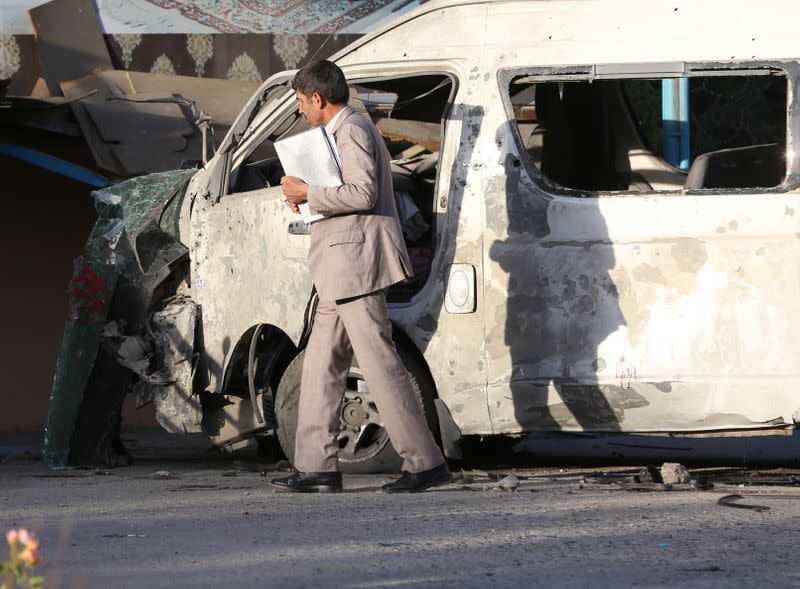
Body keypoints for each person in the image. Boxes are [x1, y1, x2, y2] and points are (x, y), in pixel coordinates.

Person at [271, 60, 450, 493]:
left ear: (318, 98)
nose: (300, 110)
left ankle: (424, 463)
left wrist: (306, 193)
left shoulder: (351, 128)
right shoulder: (341, 130)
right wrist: (307, 198)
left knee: (379, 364)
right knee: (320, 367)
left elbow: (362, 192)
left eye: (300, 101)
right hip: (340, 267)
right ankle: (316, 468)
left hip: (355, 266)